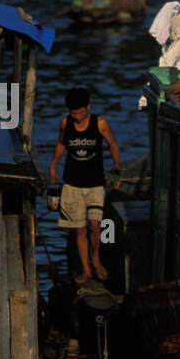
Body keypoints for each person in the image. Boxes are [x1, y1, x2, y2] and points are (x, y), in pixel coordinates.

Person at [48, 86, 121, 284]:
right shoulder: (66, 123)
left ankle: (96, 259)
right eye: (73, 113)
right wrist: (53, 165)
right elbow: (62, 143)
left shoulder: (100, 123)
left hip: (95, 184)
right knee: (79, 229)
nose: (77, 116)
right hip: (72, 183)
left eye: (80, 112)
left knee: (95, 226)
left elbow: (112, 144)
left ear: (88, 107)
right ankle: (87, 270)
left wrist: (117, 167)